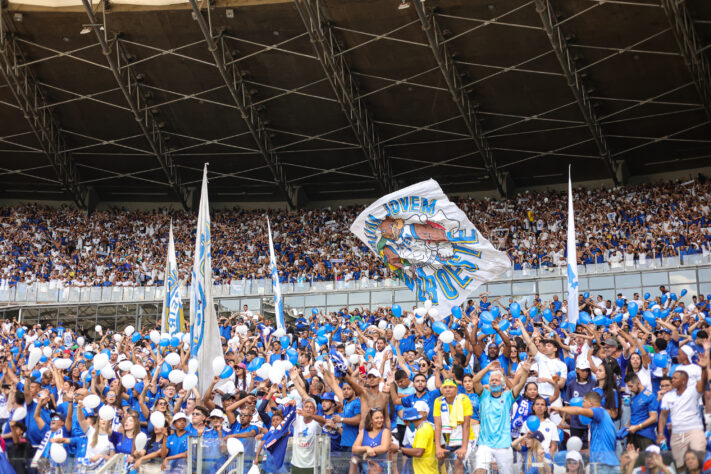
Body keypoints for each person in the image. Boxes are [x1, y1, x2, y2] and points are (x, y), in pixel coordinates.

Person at [471, 359, 531, 474]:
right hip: (485, 444)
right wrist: (487, 368)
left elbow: (520, 385)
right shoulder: (484, 395)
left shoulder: (508, 396)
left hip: (503, 444)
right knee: (479, 471)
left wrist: (525, 372)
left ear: (502, 384)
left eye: (497, 380)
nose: (494, 382)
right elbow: (475, 380)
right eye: (492, 380)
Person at [657, 351, 709, 469]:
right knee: (680, 466)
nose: (672, 381)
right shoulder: (668, 396)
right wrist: (660, 433)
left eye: (675, 379)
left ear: (683, 380)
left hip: (694, 432)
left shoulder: (693, 391)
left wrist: (704, 368)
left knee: (696, 464)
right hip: (677, 434)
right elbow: (663, 415)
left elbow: (703, 382)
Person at [550, 391, 619, 473]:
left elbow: (579, 410)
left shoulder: (599, 411)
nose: (582, 404)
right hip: (606, 463)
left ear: (590, 403)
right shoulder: (602, 417)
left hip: (603, 463)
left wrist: (559, 408)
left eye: (584, 401)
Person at [352, 407, 392, 473]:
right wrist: (367, 448)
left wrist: (369, 451)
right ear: (371, 420)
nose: (380, 420)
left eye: (381, 417)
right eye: (377, 418)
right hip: (366, 467)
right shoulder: (363, 431)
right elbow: (354, 448)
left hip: (381, 467)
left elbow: (384, 448)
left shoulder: (385, 431)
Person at [398, 406, 437, 474]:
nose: (405, 424)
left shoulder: (423, 430)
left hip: (425, 471)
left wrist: (399, 449)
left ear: (410, 420)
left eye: (405, 422)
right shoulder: (425, 427)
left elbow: (419, 452)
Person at [625, 374, 658, 451]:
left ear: (638, 383)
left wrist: (637, 427)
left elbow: (653, 418)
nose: (629, 389)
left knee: (647, 461)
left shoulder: (650, 396)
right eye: (628, 387)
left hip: (645, 435)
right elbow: (634, 414)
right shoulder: (633, 397)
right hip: (633, 434)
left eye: (631, 386)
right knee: (633, 461)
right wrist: (626, 427)